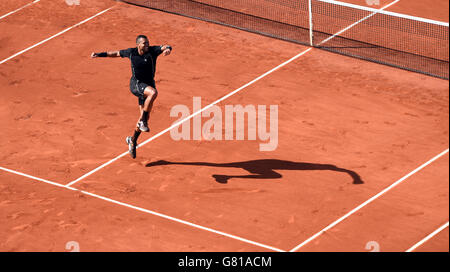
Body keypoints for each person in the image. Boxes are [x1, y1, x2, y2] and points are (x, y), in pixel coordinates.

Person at [91, 35, 172, 158]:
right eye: (144, 43)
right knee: (153, 93)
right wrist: (99, 54)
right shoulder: (131, 52)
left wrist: (168, 49)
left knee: (143, 116)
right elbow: (115, 53)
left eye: (148, 43)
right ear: (138, 44)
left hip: (148, 84)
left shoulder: (152, 51)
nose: (147, 45)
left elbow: (166, 46)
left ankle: (132, 140)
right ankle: (143, 121)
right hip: (137, 85)